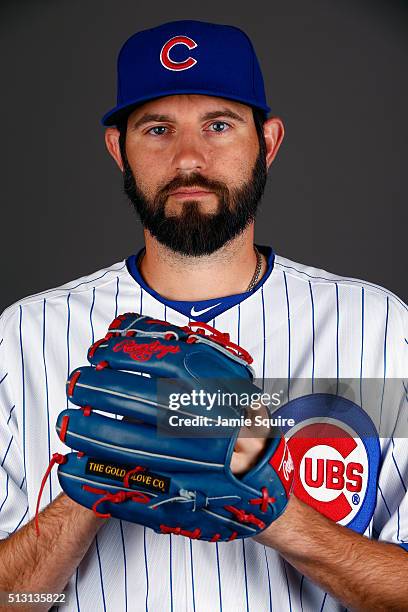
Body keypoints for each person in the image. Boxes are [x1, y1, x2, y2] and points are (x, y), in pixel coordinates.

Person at [0, 19, 407, 612]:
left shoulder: (377, 328)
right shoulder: (24, 337)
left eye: (219, 125)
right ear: (119, 149)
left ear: (267, 142)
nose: (189, 158)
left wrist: (276, 515)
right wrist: (102, 478)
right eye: (157, 128)